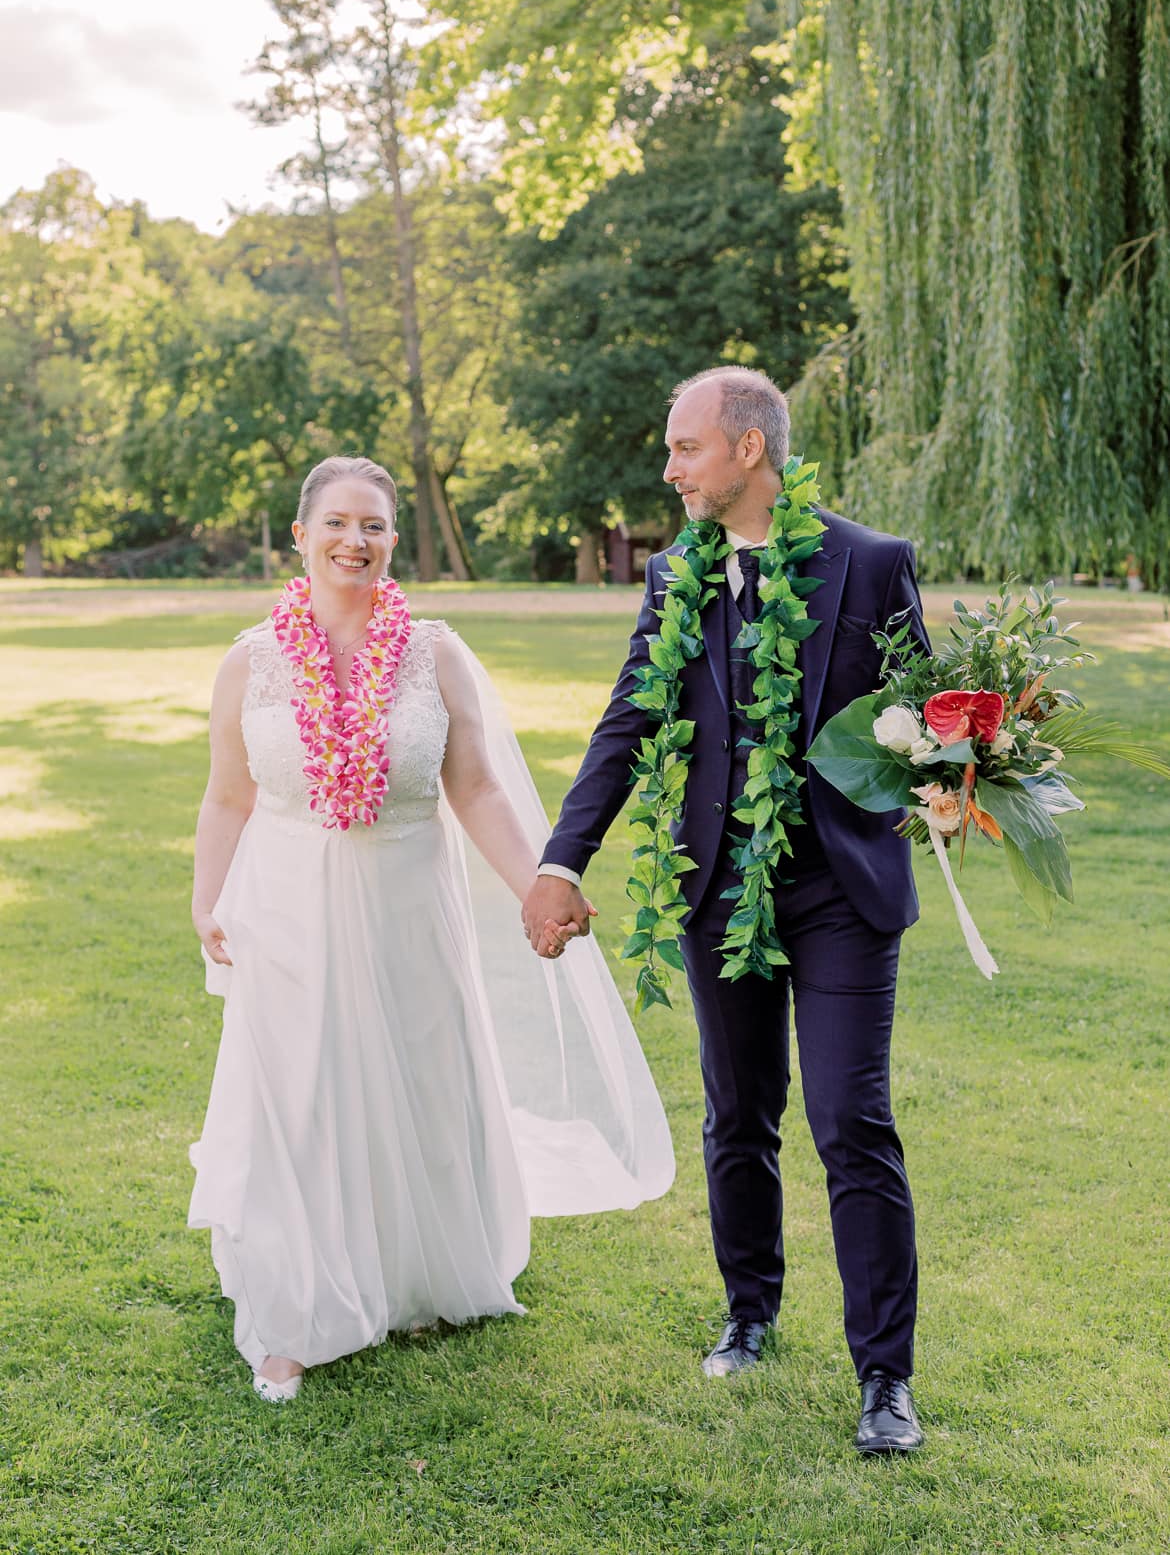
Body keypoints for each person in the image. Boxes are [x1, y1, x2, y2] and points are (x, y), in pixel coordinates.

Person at [189, 455, 673, 1403]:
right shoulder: (249, 659)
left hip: (410, 895)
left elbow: (479, 787)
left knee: (416, 1074)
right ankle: (295, 1310)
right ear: (299, 535)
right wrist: (208, 901)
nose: (353, 540)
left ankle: (415, 1269)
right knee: (300, 1088)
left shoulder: (433, 651)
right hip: (286, 902)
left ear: (393, 540)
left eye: (372, 524)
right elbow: (224, 796)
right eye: (334, 522)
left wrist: (541, 884)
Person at [522, 368, 928, 1456]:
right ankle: (749, 1314)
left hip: (841, 891)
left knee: (853, 1124)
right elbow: (625, 723)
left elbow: (925, 713)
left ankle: (885, 1378)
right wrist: (562, 860)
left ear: (749, 449)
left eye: (685, 448)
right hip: (720, 889)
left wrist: (957, 768)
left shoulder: (874, 563)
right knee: (737, 1115)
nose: (670, 468)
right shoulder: (676, 577)